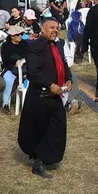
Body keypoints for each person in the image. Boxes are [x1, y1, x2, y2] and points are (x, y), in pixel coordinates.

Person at [18, 17, 73, 179]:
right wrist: (50, 85)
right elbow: (34, 72)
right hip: (40, 95)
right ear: (43, 29)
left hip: (56, 95)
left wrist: (68, 78)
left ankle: (48, 157)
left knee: (57, 126)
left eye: (57, 28)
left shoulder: (57, 45)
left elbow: (63, 64)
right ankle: (38, 162)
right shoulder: (35, 46)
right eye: (51, 28)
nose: (55, 30)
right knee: (40, 129)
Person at [0, 24, 29, 114]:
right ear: (12, 36)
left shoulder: (25, 43)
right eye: (18, 34)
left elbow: (28, 55)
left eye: (21, 34)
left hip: (24, 68)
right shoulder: (5, 45)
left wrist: (22, 61)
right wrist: (15, 61)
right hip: (10, 68)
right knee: (9, 80)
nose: (20, 36)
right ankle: (5, 104)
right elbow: (5, 59)